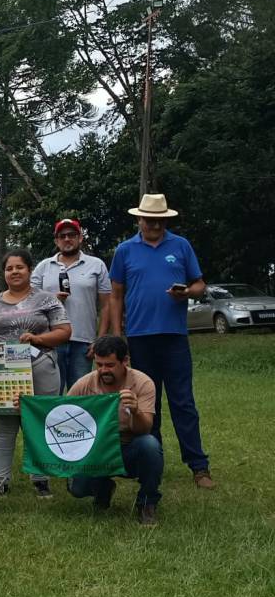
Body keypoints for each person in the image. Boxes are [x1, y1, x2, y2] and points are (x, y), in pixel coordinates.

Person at [109, 193, 213, 488]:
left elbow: (199, 283)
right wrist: (118, 336)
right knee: (145, 404)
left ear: (165, 220)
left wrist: (188, 293)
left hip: (174, 337)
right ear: (139, 219)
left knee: (183, 402)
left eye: (159, 220)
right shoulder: (125, 250)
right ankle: (152, 462)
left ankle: (198, 466)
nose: (153, 224)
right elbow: (116, 295)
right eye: (148, 219)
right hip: (139, 338)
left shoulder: (181, 246)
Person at [0, 248, 71, 498]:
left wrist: (38, 338)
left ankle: (40, 479)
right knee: (1, 423)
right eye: (9, 268)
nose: (14, 272)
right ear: (3, 273)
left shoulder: (47, 299)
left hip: (40, 366)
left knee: (38, 421)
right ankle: (0, 480)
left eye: (19, 267)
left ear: (29, 269)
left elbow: (64, 331)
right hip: (2, 370)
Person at [66, 335, 164, 526]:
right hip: (97, 449)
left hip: (129, 448)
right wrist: (29, 408)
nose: (103, 370)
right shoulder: (86, 383)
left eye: (109, 365)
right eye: (99, 364)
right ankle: (103, 488)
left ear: (125, 361)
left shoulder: (143, 383)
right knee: (77, 489)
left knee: (150, 445)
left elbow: (145, 428)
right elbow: (60, 412)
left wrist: (135, 411)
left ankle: (147, 503)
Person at [31, 219, 111, 391]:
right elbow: (30, 304)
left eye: (72, 235)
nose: (67, 239)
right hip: (50, 341)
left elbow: (107, 306)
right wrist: (53, 300)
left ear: (80, 238)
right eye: (62, 236)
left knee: (81, 398)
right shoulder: (43, 267)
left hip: (84, 342)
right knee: (52, 396)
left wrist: (101, 340)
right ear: (56, 240)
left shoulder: (96, 265)